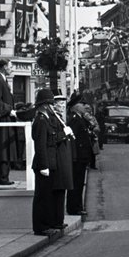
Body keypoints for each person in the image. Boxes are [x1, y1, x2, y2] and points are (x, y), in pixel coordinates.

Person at [29, 89, 68, 237]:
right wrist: (44, 165)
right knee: (42, 197)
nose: (53, 106)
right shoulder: (40, 120)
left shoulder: (45, 119)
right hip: (43, 164)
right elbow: (40, 146)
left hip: (50, 163)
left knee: (48, 196)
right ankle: (41, 227)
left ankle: (48, 223)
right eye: (50, 103)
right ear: (45, 105)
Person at [67, 101, 96, 218]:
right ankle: (74, 208)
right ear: (76, 108)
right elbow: (73, 139)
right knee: (76, 183)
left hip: (82, 156)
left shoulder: (81, 118)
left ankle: (78, 206)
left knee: (79, 184)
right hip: (78, 157)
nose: (84, 107)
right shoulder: (74, 119)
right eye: (81, 105)